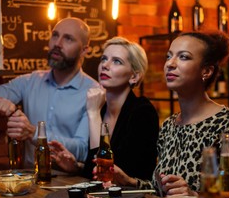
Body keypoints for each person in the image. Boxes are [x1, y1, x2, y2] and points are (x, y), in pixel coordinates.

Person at [112, 31, 229, 196]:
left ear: (207, 71)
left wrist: (194, 196)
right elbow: (162, 191)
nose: (170, 64)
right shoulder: (169, 125)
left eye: (183, 57)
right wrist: (129, 182)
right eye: (168, 56)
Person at [0, 17, 99, 168]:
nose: (57, 43)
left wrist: (34, 133)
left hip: (69, 182)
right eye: (55, 35)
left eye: (68, 39)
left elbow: (83, 150)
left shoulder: (94, 93)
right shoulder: (29, 81)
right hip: (31, 180)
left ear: (84, 50)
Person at [49, 36, 159, 182]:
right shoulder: (101, 108)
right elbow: (94, 170)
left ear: (134, 76)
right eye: (104, 59)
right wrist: (76, 167)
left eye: (116, 61)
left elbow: (108, 174)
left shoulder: (143, 112)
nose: (105, 65)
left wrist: (93, 114)